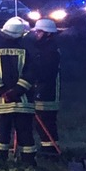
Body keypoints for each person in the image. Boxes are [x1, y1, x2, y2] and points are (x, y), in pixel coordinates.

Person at [0, 17, 38, 167]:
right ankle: (28, 162)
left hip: (1, 104)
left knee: (2, 133)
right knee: (25, 134)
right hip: (23, 103)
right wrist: (17, 91)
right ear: (20, 36)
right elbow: (31, 74)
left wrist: (2, 91)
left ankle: (0, 162)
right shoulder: (26, 53)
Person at [30, 18, 62, 156]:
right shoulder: (45, 48)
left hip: (48, 90)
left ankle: (51, 150)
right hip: (43, 89)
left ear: (48, 33)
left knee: (46, 122)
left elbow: (46, 72)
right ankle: (48, 148)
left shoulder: (50, 51)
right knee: (42, 122)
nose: (36, 34)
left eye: (39, 32)